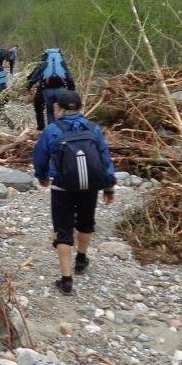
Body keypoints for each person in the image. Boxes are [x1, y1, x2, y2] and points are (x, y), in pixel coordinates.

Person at [32, 90, 117, 295]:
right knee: (86, 222)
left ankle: (66, 280)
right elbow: (105, 159)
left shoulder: (52, 130)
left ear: (58, 108)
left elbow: (40, 157)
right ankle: (81, 259)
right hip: (90, 186)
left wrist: (42, 176)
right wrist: (109, 186)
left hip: (62, 187)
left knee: (63, 230)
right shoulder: (93, 129)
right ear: (81, 108)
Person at [26, 47, 75, 129]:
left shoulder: (44, 64)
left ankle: (45, 129)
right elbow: (69, 76)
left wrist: (28, 86)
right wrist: (72, 89)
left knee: (47, 111)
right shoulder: (62, 63)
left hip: (46, 90)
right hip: (61, 90)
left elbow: (35, 77)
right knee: (63, 110)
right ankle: (64, 130)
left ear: (46, 56)